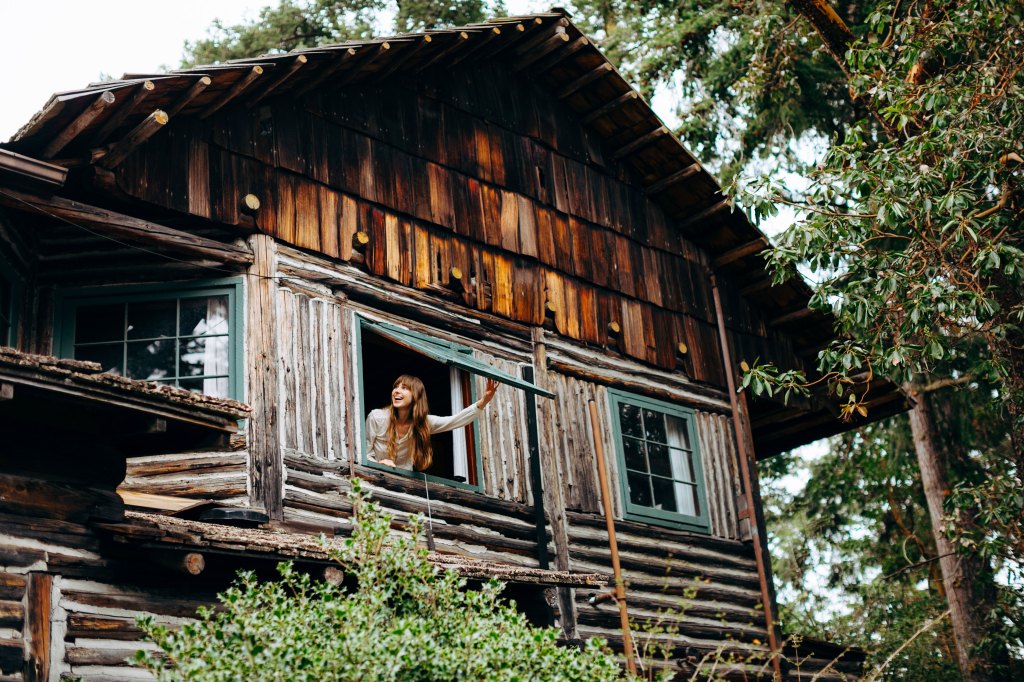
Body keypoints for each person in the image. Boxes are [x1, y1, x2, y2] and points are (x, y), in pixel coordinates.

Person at [365, 374, 499, 471]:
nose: (396, 391)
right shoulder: (377, 417)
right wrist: (378, 464)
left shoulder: (423, 423)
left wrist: (484, 400)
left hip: (403, 487)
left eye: (404, 388)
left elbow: (455, 420)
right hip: (374, 480)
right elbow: (364, 453)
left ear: (416, 396)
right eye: (396, 387)